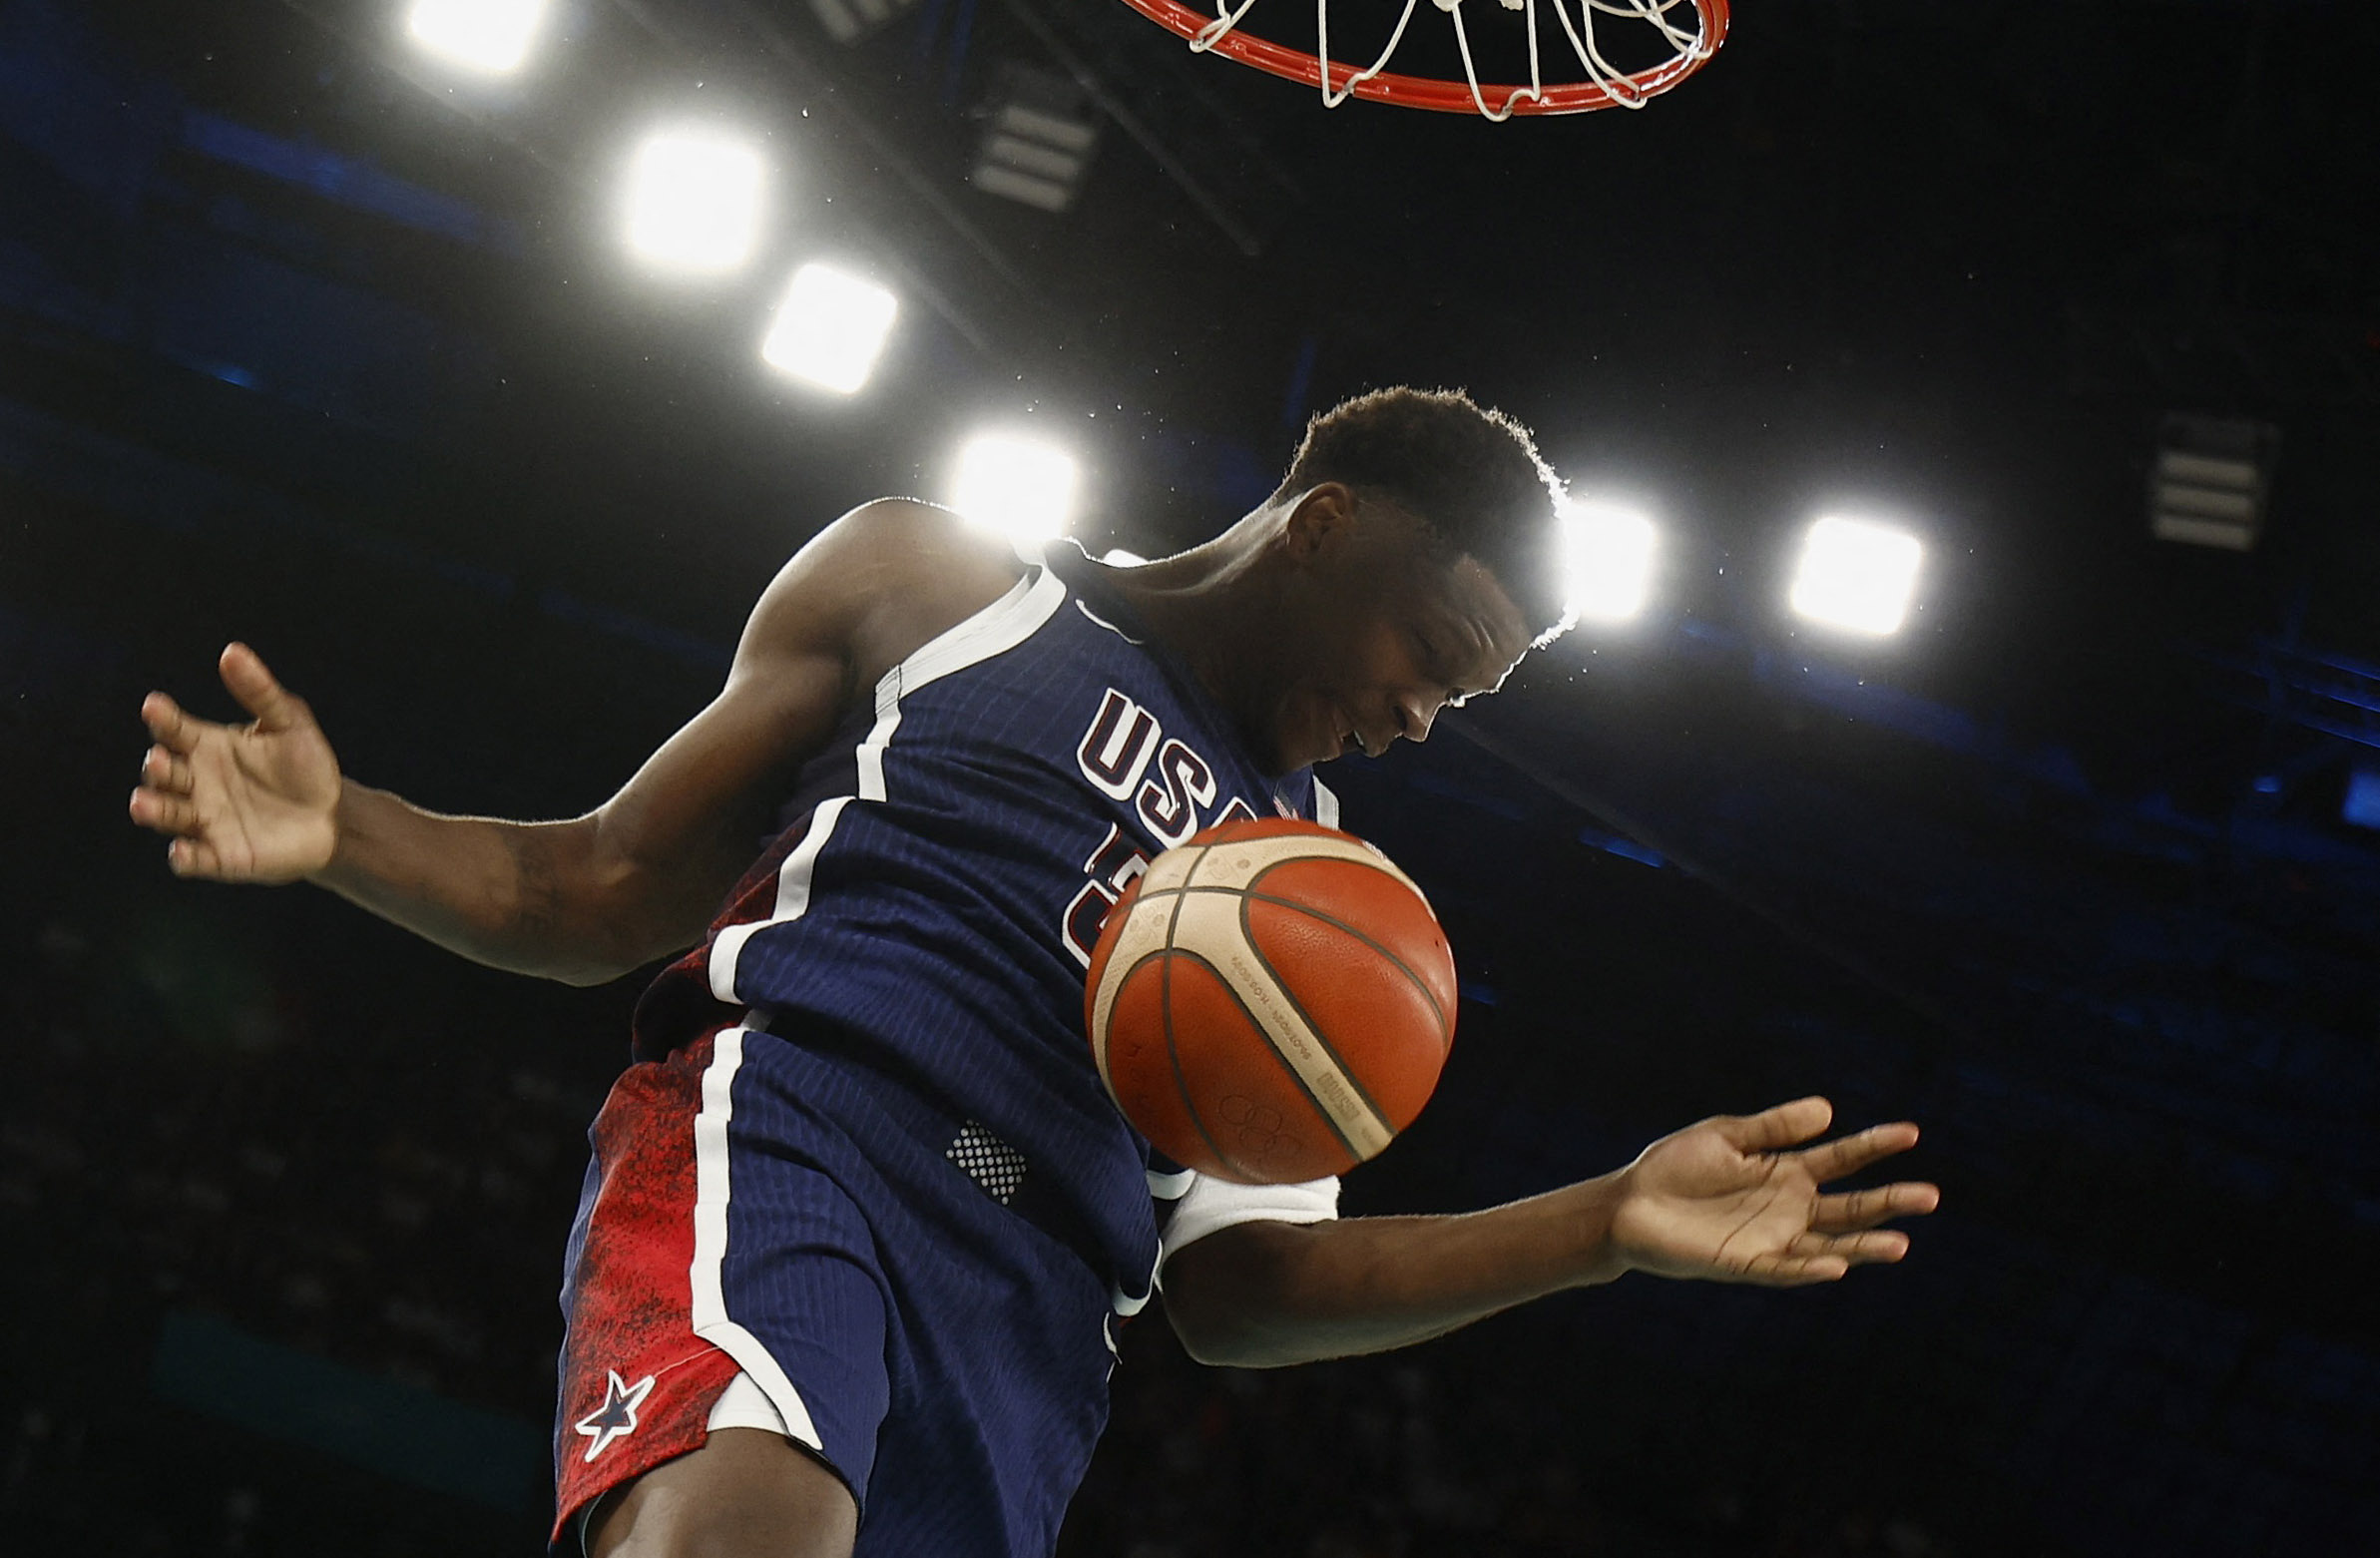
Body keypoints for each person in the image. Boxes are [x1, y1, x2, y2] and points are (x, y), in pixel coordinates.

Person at [128, 387, 1939, 1558]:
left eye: (1460, 704)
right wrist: (343, 824)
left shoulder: (1317, 895)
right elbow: (601, 884)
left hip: (1031, 1332)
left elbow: (1242, 1287)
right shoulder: (942, 585)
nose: (1416, 715)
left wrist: (1603, 1219)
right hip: (806, 1150)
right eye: (1426, 652)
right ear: (1321, 526)